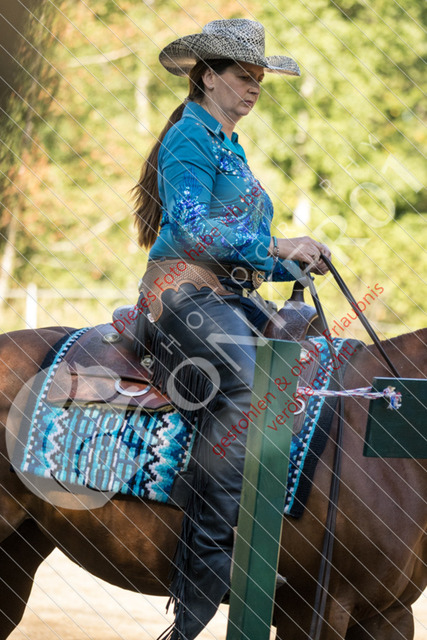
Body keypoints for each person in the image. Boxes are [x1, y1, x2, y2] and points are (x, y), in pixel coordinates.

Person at [132, 18, 331, 640]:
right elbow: (192, 227)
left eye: (259, 80)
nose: (254, 88)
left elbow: (241, 253)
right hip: (180, 295)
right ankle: (205, 578)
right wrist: (276, 243)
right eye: (244, 77)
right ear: (207, 77)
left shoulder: (230, 148)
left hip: (227, 299)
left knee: (317, 372)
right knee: (247, 387)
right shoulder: (188, 138)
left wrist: (292, 261)